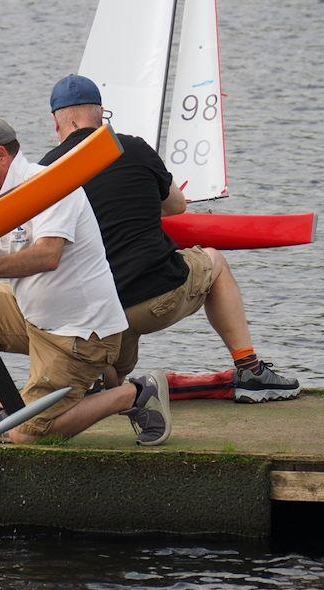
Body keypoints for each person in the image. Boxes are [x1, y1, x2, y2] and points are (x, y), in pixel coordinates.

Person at [39, 75, 300, 403]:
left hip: (102, 313)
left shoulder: (45, 171)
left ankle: (105, 384)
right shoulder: (131, 146)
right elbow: (176, 206)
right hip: (157, 297)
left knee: (110, 376)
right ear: (102, 115)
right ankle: (250, 370)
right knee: (214, 262)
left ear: (56, 123)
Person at [0, 116, 171, 445]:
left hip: (81, 333)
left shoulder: (52, 185)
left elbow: (47, 256)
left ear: (1, 155)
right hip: (34, 319)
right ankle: (4, 404)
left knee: (25, 436)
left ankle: (134, 393)